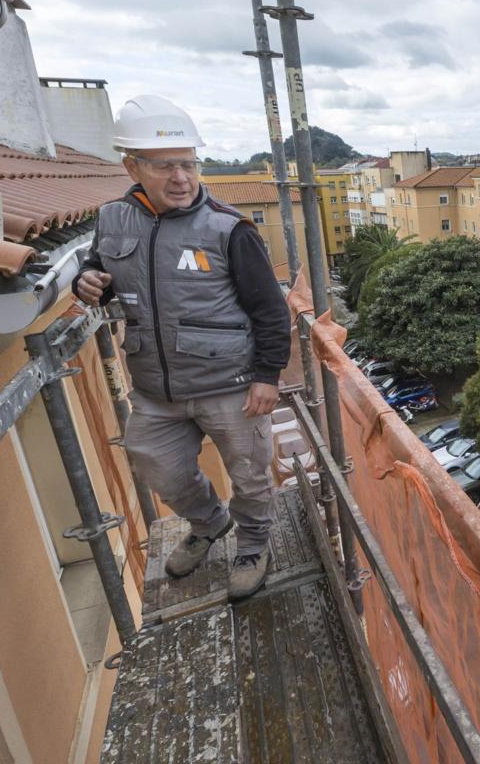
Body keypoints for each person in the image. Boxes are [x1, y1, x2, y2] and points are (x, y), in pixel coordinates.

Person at [74, 96, 290, 601]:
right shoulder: (112, 220)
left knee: (251, 474)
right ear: (132, 166)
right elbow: (102, 275)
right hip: (155, 389)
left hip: (231, 386)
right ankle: (209, 521)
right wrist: (89, 281)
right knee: (155, 465)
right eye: (165, 165)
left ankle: (254, 543)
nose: (181, 177)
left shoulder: (227, 227)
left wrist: (267, 376)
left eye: (189, 163)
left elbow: (270, 311)